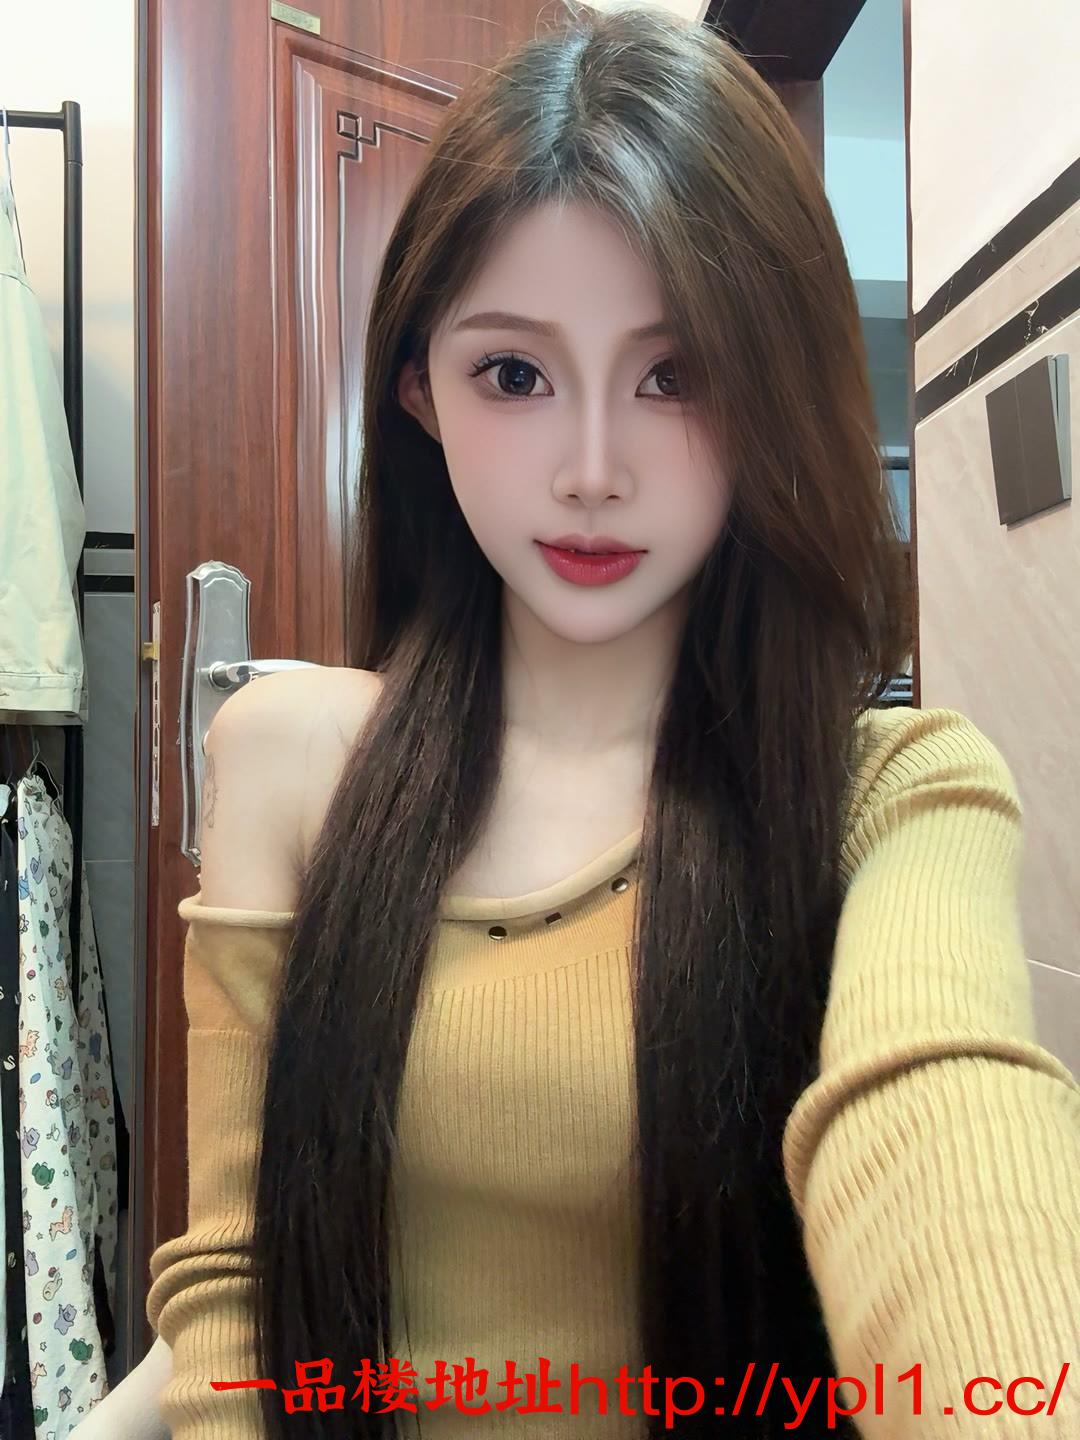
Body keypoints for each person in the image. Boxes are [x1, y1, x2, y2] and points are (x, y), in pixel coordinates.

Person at [89, 4, 1079, 1438]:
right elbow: (237, 1285)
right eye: (515, 375)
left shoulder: (893, 791)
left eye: (678, 375)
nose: (594, 469)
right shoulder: (294, 759)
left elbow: (940, 1123)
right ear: (421, 390)